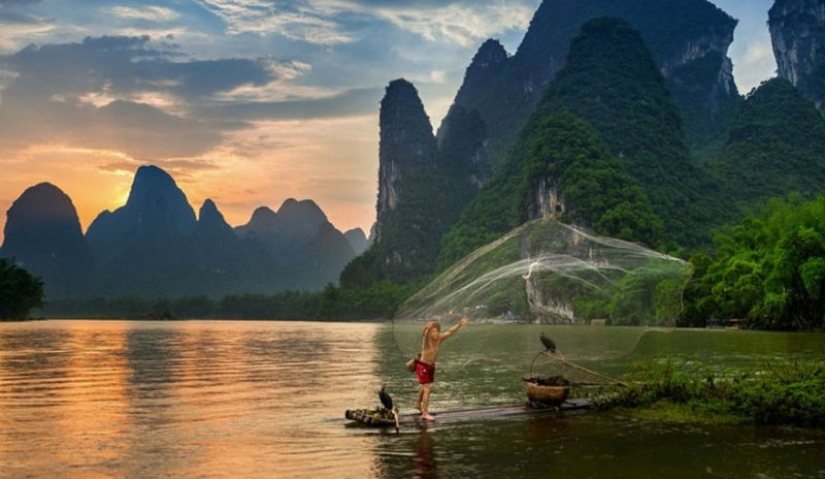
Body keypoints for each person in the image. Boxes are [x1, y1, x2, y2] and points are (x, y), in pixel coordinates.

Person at [414, 316, 469, 421]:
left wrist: (459, 325)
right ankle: (425, 414)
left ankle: (417, 404)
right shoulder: (427, 340)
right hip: (423, 366)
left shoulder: (439, 339)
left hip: (431, 367)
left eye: (436, 331)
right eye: (433, 332)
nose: (435, 333)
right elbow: (425, 334)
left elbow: (449, 332)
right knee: (427, 389)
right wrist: (427, 328)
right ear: (430, 333)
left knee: (425, 387)